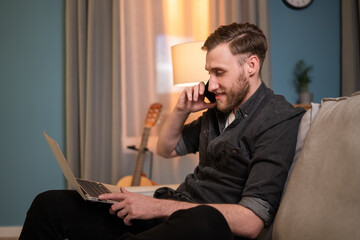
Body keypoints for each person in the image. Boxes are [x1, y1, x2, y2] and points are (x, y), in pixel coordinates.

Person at [19, 22, 305, 240]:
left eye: (219, 72)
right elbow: (165, 149)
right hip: (172, 211)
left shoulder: (278, 118)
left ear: (251, 65)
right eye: (209, 73)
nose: (211, 83)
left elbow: (252, 221)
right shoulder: (217, 108)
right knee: (49, 204)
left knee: (205, 220)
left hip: (204, 227)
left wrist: (154, 207)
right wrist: (181, 110)